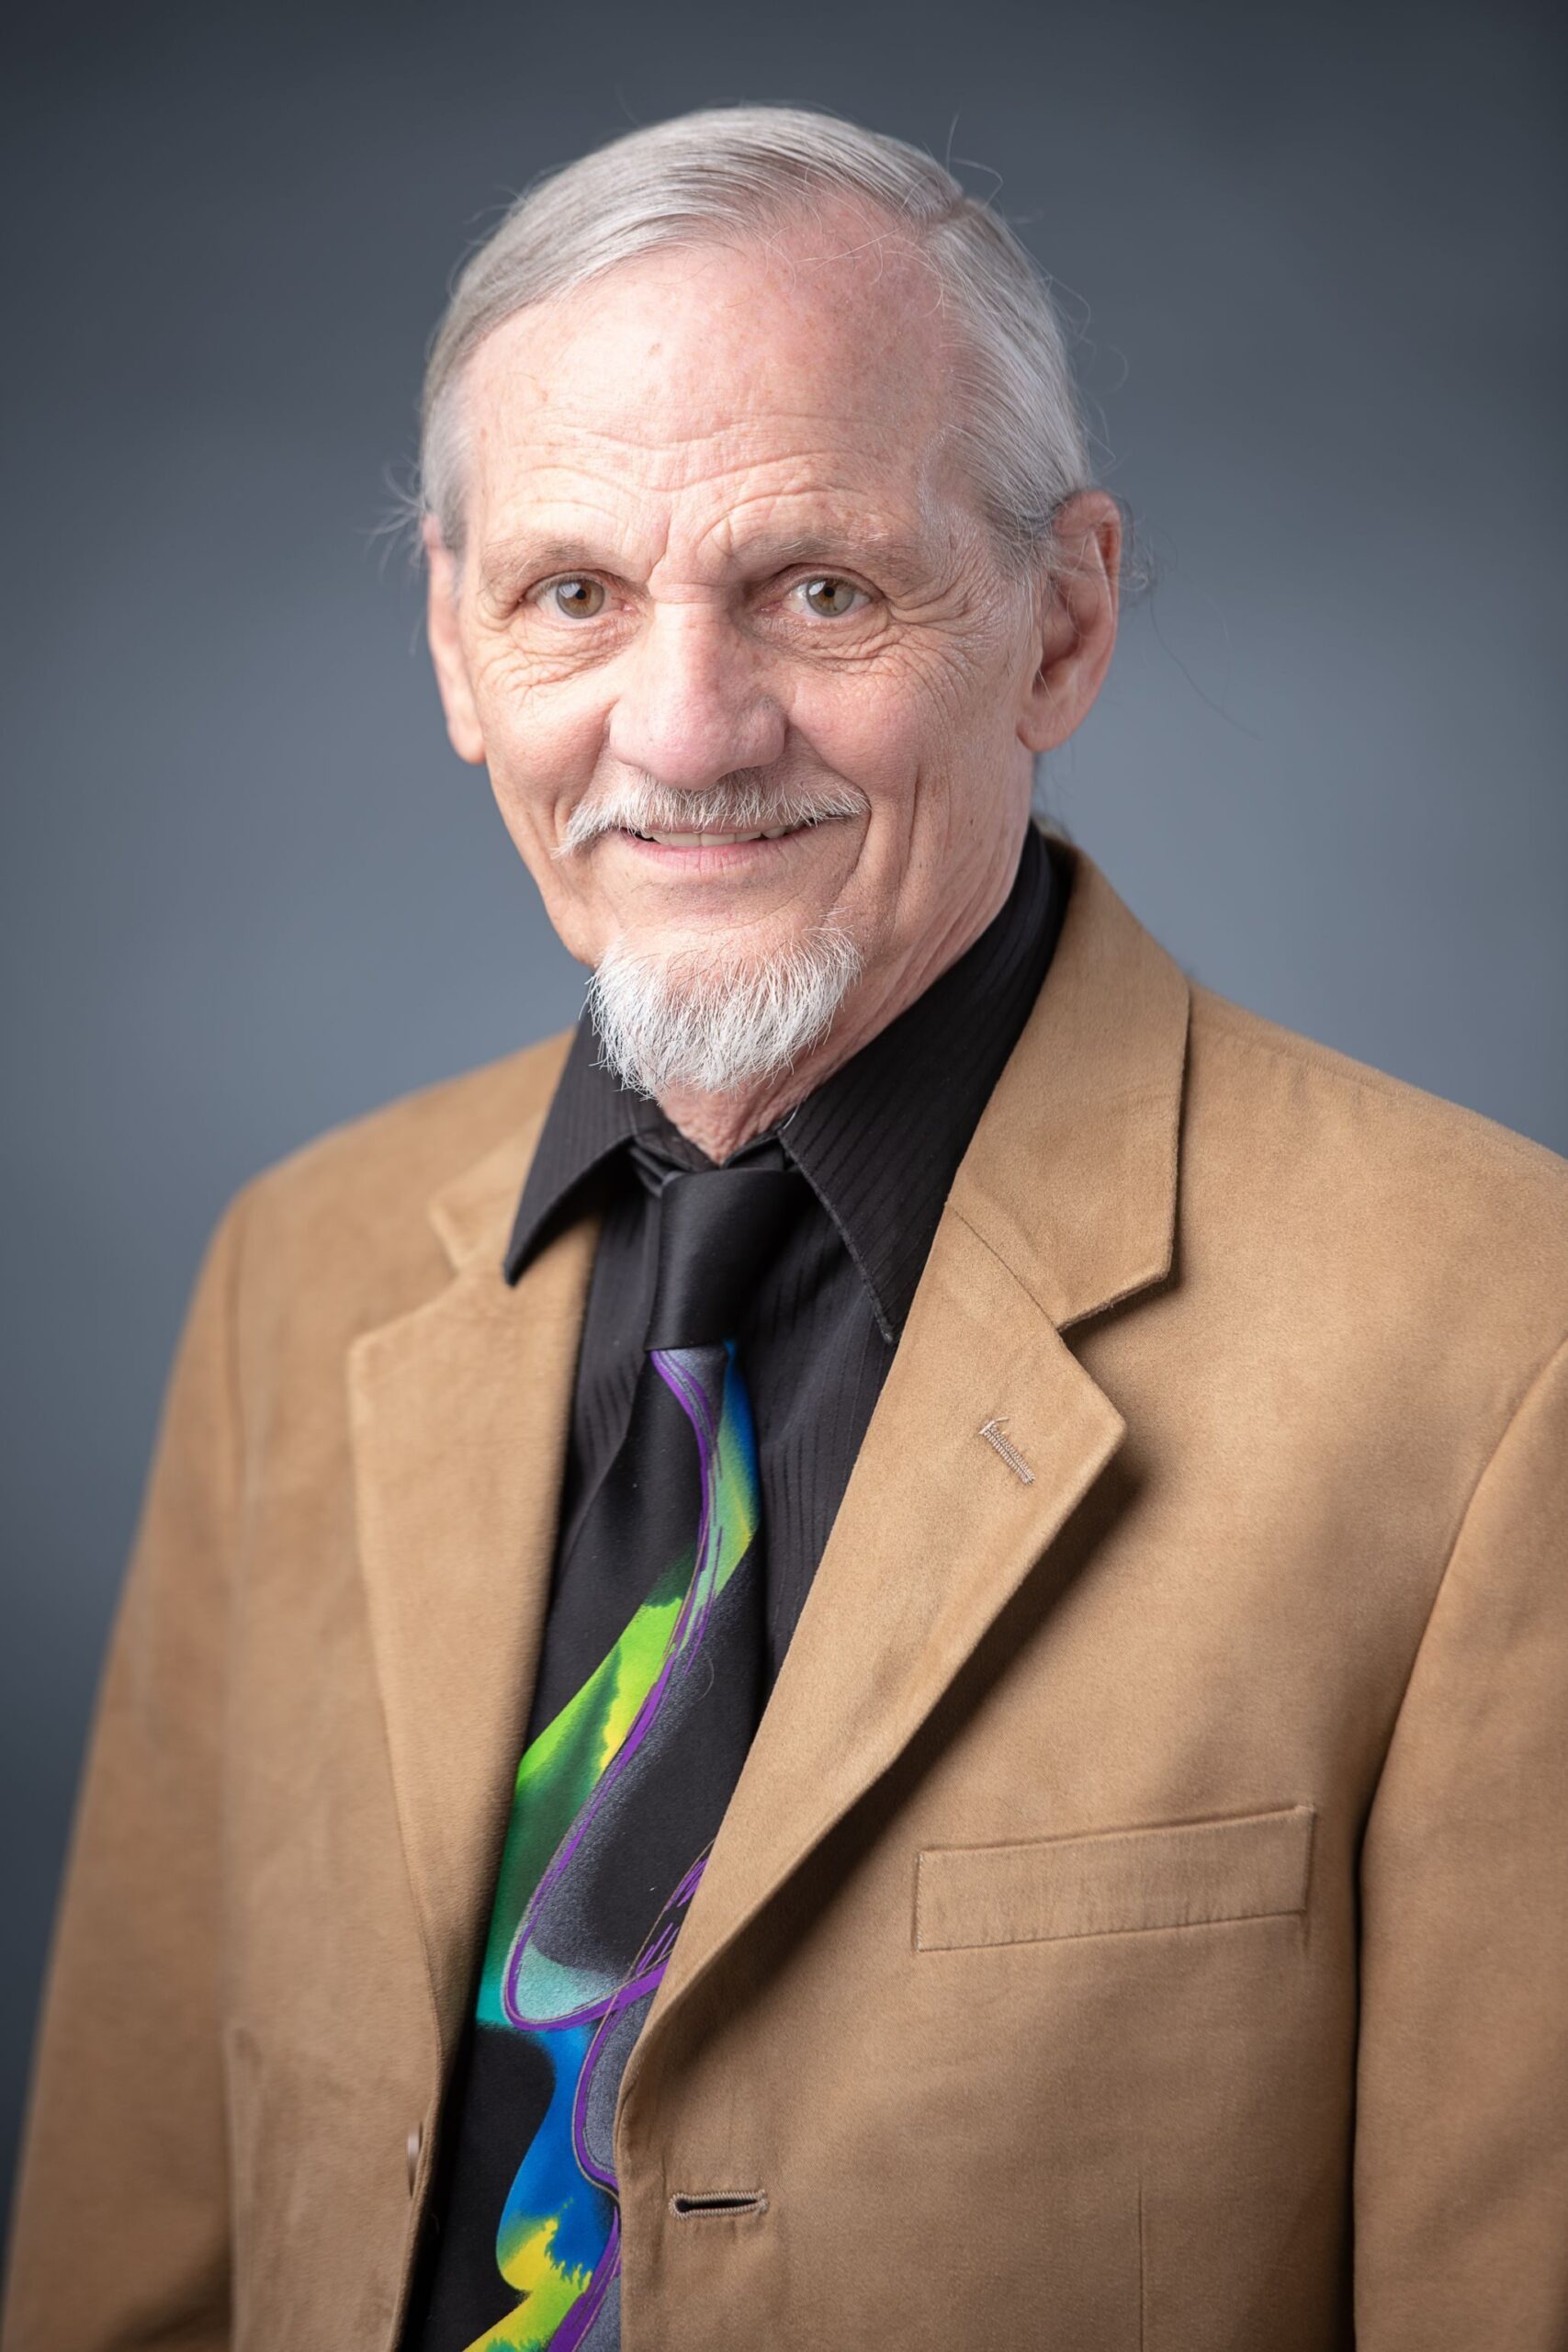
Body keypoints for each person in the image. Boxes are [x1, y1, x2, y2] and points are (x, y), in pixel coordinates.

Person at [5, 103, 1565, 2352]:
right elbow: (131, 2262)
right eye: (571, 594)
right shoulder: (297, 1271)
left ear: (1059, 623)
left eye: (818, 588)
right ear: (454, 644)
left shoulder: (1498, 1344)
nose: (683, 729)